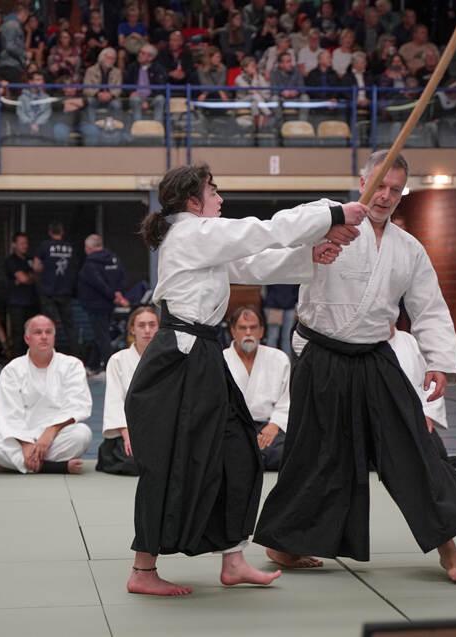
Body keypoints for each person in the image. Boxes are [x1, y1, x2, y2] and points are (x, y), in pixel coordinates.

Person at [123, 163, 366, 596]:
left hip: (201, 355)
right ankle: (143, 570)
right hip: (179, 359)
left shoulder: (202, 239)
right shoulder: (192, 233)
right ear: (193, 201)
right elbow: (263, 231)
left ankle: (233, 559)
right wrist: (332, 212)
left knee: (239, 453)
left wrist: (309, 254)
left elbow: (250, 266)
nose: (220, 199)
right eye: (213, 191)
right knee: (169, 461)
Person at [254, 150, 456, 583]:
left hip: (376, 357)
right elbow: (281, 234)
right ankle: (283, 543)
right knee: (316, 456)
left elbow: (429, 307)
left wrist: (438, 362)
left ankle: (448, 549)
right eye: (379, 185)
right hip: (321, 357)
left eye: (395, 190)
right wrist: (330, 219)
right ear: (362, 182)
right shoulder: (327, 220)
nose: (385, 196)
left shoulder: (408, 248)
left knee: (413, 447)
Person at [0, 315, 93, 475]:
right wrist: (25, 444)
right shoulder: (12, 370)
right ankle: (51, 466)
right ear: (27, 338)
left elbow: (78, 405)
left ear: (54, 337)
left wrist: (50, 432)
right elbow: (7, 413)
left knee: (82, 435)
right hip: (21, 439)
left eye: (48, 332)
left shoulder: (72, 365)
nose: (44, 337)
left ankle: (14, 463)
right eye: (38, 332)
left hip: (56, 437)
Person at [222, 306, 290, 471]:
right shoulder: (221, 360)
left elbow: (286, 401)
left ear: (261, 331)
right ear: (233, 331)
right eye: (242, 328)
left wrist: (274, 425)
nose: (248, 333)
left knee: (287, 452)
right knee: (221, 452)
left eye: (253, 328)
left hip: (268, 426)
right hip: (234, 428)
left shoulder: (279, 358)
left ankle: (250, 460)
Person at [388, 325, 456, 468]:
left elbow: (431, 383)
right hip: (376, 421)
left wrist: (428, 415)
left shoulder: (411, 342)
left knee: (436, 452)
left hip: (411, 418)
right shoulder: (361, 347)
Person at [96, 305, 158, 475]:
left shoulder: (168, 360)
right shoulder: (118, 360)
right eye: (141, 325)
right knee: (133, 462)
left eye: (152, 325)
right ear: (132, 329)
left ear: (159, 328)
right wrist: (126, 432)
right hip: (127, 431)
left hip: (158, 430)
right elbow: (114, 400)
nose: (147, 330)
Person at [78, 234, 128, 375]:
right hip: (110, 304)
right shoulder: (114, 258)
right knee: (100, 334)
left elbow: (98, 283)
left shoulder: (90, 264)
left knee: (102, 336)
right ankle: (93, 365)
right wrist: (118, 294)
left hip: (96, 305)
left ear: (89, 248)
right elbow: (123, 277)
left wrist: (113, 296)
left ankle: (110, 368)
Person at [37, 222, 80, 355]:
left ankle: (49, 355)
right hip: (65, 292)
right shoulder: (70, 248)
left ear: (50, 232)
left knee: (48, 326)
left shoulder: (45, 246)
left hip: (49, 292)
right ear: (62, 232)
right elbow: (75, 267)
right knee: (69, 326)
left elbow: (36, 266)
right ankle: (77, 356)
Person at [5, 232, 39, 356]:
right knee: (18, 333)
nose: (25, 246)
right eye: (22, 243)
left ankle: (32, 359)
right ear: (14, 244)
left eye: (26, 243)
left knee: (33, 332)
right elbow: (24, 278)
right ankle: (17, 360)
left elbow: (38, 275)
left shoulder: (30, 259)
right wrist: (29, 276)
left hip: (32, 301)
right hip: (17, 302)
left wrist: (28, 277)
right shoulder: (11, 261)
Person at [124, 44, 167, 122]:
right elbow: (126, 84)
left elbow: (160, 88)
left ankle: (158, 125)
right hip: (137, 97)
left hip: (152, 98)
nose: (139, 55)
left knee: (160, 99)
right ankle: (138, 125)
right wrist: (131, 92)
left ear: (151, 57)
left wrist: (147, 101)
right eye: (140, 52)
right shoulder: (132, 67)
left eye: (143, 53)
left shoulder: (158, 68)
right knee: (135, 99)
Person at [262, 284, 297, 355]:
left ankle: (282, 358)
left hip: (280, 305)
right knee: (279, 337)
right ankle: (275, 358)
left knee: (276, 336)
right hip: (278, 306)